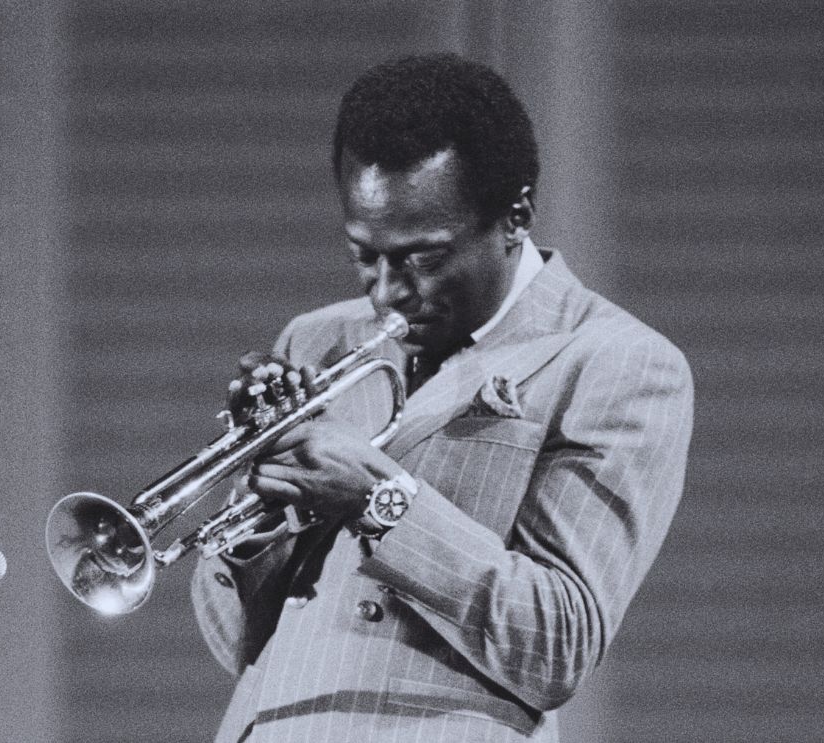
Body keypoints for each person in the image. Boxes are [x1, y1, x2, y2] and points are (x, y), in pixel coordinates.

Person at [190, 52, 693, 742]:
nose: (389, 291)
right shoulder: (315, 339)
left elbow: (557, 644)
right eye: (363, 255)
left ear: (515, 215)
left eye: (422, 258)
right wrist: (260, 515)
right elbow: (242, 650)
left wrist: (377, 498)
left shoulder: (614, 361)